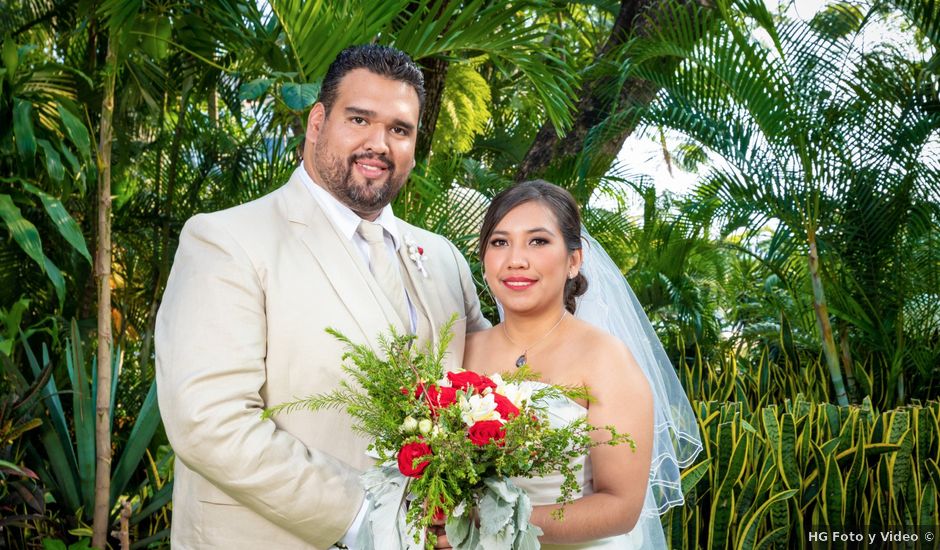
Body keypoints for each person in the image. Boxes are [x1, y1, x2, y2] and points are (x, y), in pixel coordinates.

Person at [155, 44, 488, 550]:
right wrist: (370, 518)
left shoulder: (443, 260)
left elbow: (489, 390)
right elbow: (211, 422)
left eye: (400, 129)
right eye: (359, 119)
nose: (379, 143)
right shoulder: (226, 240)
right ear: (317, 122)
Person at [462, 180, 702, 548]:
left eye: (538, 241)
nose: (516, 259)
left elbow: (620, 507)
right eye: (499, 242)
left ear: (574, 260)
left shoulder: (607, 359)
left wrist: (491, 524)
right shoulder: (463, 351)